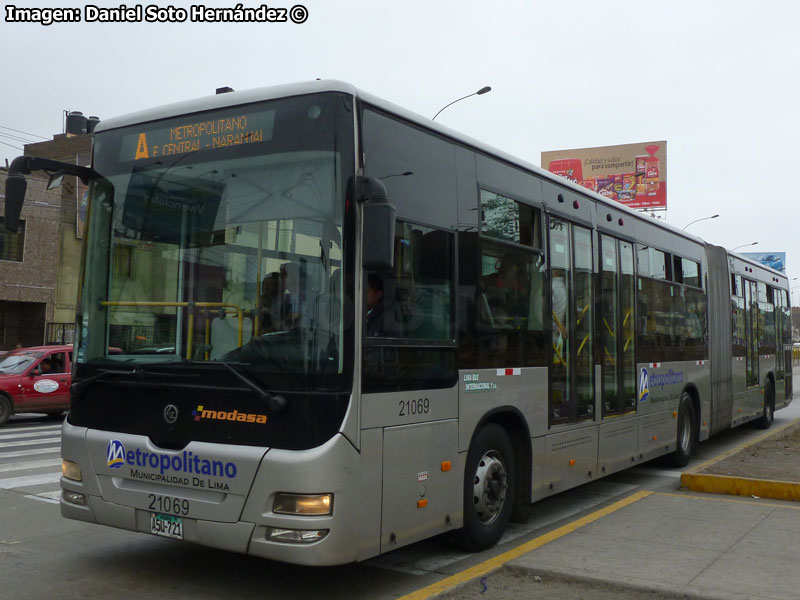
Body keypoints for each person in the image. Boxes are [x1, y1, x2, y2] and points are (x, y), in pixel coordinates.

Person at [365, 273, 397, 337]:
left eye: (366, 291)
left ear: (378, 294)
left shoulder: (386, 321)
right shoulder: (356, 314)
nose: (362, 295)